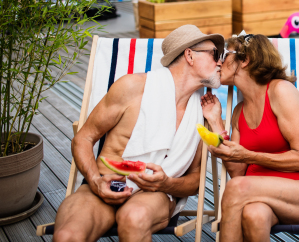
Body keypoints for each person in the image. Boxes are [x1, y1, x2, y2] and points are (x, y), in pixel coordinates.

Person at [54, 25, 225, 242]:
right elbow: (83, 138)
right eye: (215, 54)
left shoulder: (201, 112)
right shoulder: (132, 87)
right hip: (106, 182)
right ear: (189, 55)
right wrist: (96, 182)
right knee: (67, 235)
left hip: (156, 195)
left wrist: (166, 184)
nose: (220, 62)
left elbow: (194, 180)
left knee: (133, 217)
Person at [201, 34, 299, 242]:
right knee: (254, 215)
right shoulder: (238, 112)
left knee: (237, 188)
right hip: (263, 194)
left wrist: (249, 155)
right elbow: (237, 171)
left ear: (245, 60)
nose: (219, 62)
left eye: (225, 55)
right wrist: (216, 122)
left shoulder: (281, 92)